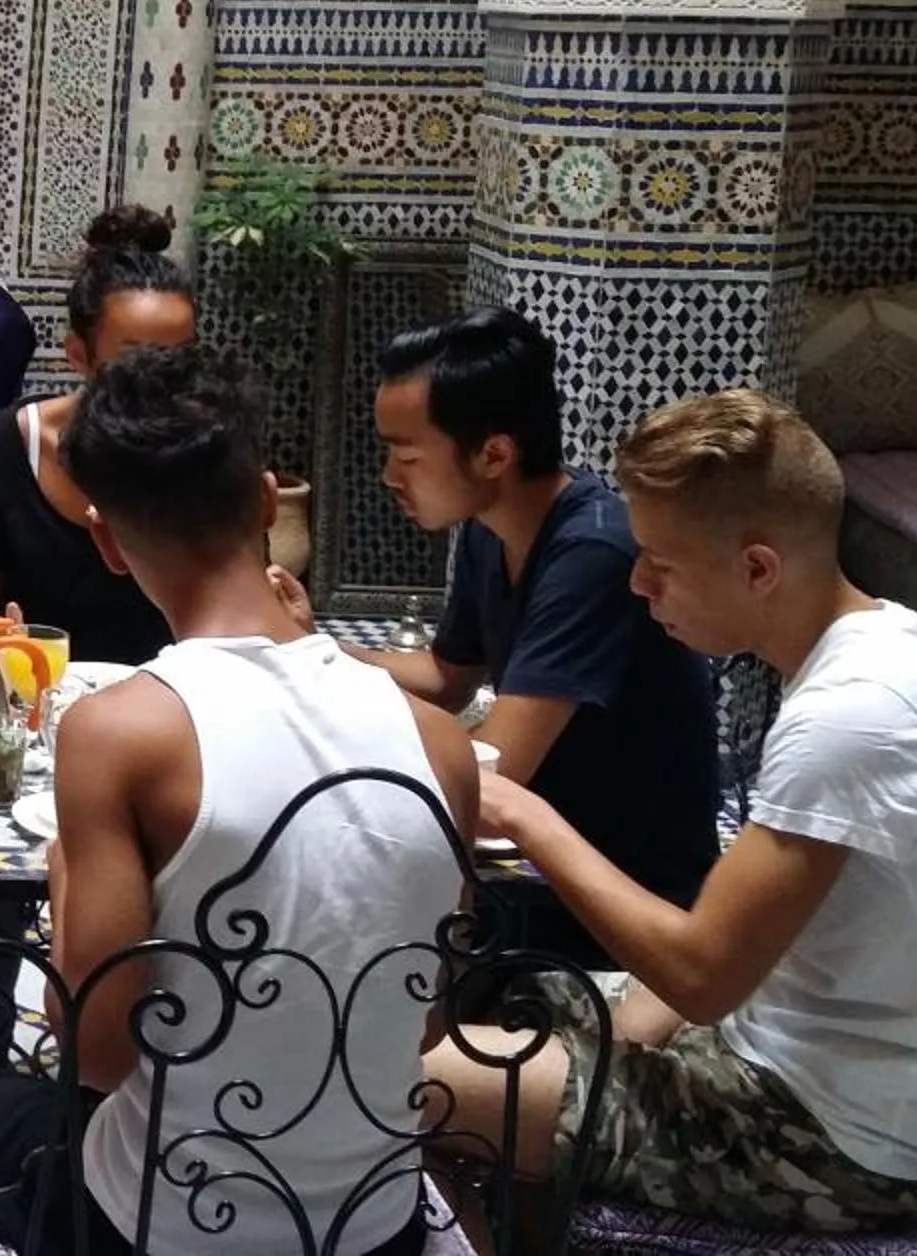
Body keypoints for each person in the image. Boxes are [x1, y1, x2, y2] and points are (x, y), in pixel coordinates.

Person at [428, 390, 917, 1232]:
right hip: (815, 1059)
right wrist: (630, 1031)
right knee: (492, 991)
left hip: (835, 1141)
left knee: (404, 1084)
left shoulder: (851, 718)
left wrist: (527, 816)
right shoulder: (884, 651)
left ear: (758, 567)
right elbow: (729, 958)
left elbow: (704, 976)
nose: (638, 584)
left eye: (661, 563)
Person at [0, 343, 475, 1256]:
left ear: (103, 537)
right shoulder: (439, 741)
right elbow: (427, 1023)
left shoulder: (117, 733)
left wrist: (67, 873)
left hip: (161, 1228)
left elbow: (97, 1056)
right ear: (266, 500)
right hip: (377, 1231)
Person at [277, 306, 720, 968]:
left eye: (404, 455)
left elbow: (494, 772)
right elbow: (445, 676)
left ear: (494, 454)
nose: (388, 476)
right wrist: (313, 644)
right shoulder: (491, 528)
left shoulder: (594, 553)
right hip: (532, 871)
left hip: (616, 904)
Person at [0, 203, 194, 664]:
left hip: (171, 708)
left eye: (177, 358)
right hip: (33, 700)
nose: (160, 380)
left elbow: (239, 623)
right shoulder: (8, 446)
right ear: (78, 353)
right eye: (134, 358)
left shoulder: (205, 449)